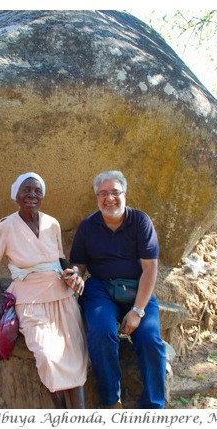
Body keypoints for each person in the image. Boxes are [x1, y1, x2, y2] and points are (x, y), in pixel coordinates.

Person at [0, 172, 88, 409]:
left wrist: (74, 274)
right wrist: (0, 294)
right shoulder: (6, 226)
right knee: (48, 356)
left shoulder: (53, 223)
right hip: (29, 300)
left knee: (75, 354)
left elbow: (60, 260)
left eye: (37, 191)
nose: (32, 195)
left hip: (62, 296)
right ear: (16, 195)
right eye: (26, 190)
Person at [65, 170, 166, 409]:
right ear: (96, 197)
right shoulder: (88, 227)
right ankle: (112, 401)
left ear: (125, 194)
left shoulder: (141, 221)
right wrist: (75, 276)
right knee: (101, 332)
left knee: (150, 338)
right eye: (103, 194)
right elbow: (79, 265)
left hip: (137, 287)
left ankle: (154, 406)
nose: (109, 198)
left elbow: (150, 269)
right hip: (101, 287)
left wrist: (138, 310)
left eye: (114, 192)